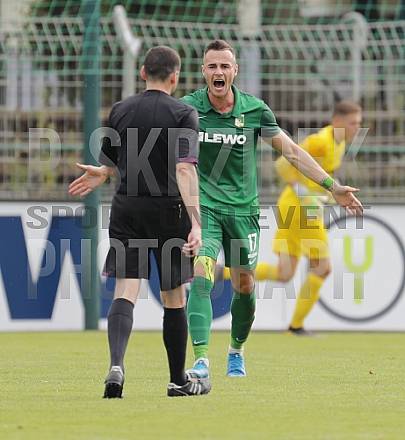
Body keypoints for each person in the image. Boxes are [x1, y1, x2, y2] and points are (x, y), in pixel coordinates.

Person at [181, 40, 363, 384]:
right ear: (203, 71)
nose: (218, 72)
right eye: (212, 66)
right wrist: (111, 166)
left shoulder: (254, 110)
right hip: (205, 211)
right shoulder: (188, 109)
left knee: (244, 283)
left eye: (224, 66)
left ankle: (236, 350)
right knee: (201, 274)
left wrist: (332, 186)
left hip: (243, 213)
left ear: (235, 71)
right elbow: (157, 140)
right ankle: (201, 359)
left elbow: (291, 153)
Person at [69, 46, 210, 397]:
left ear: (143, 72)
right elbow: (184, 169)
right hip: (169, 211)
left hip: (127, 208)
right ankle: (178, 381)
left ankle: (117, 365)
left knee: (125, 288)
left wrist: (103, 172)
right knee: (173, 295)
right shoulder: (184, 113)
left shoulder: (120, 110)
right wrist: (196, 222)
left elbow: (114, 160)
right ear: (175, 77)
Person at [255, 101, 363, 335]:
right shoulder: (320, 141)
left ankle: (224, 272)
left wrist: (328, 193)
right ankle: (296, 326)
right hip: (300, 210)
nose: (357, 128)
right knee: (323, 267)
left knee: (284, 273)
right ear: (337, 121)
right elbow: (283, 164)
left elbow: (320, 176)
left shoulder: (338, 142)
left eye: (359, 123)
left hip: (293, 207)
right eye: (353, 123)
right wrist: (303, 192)